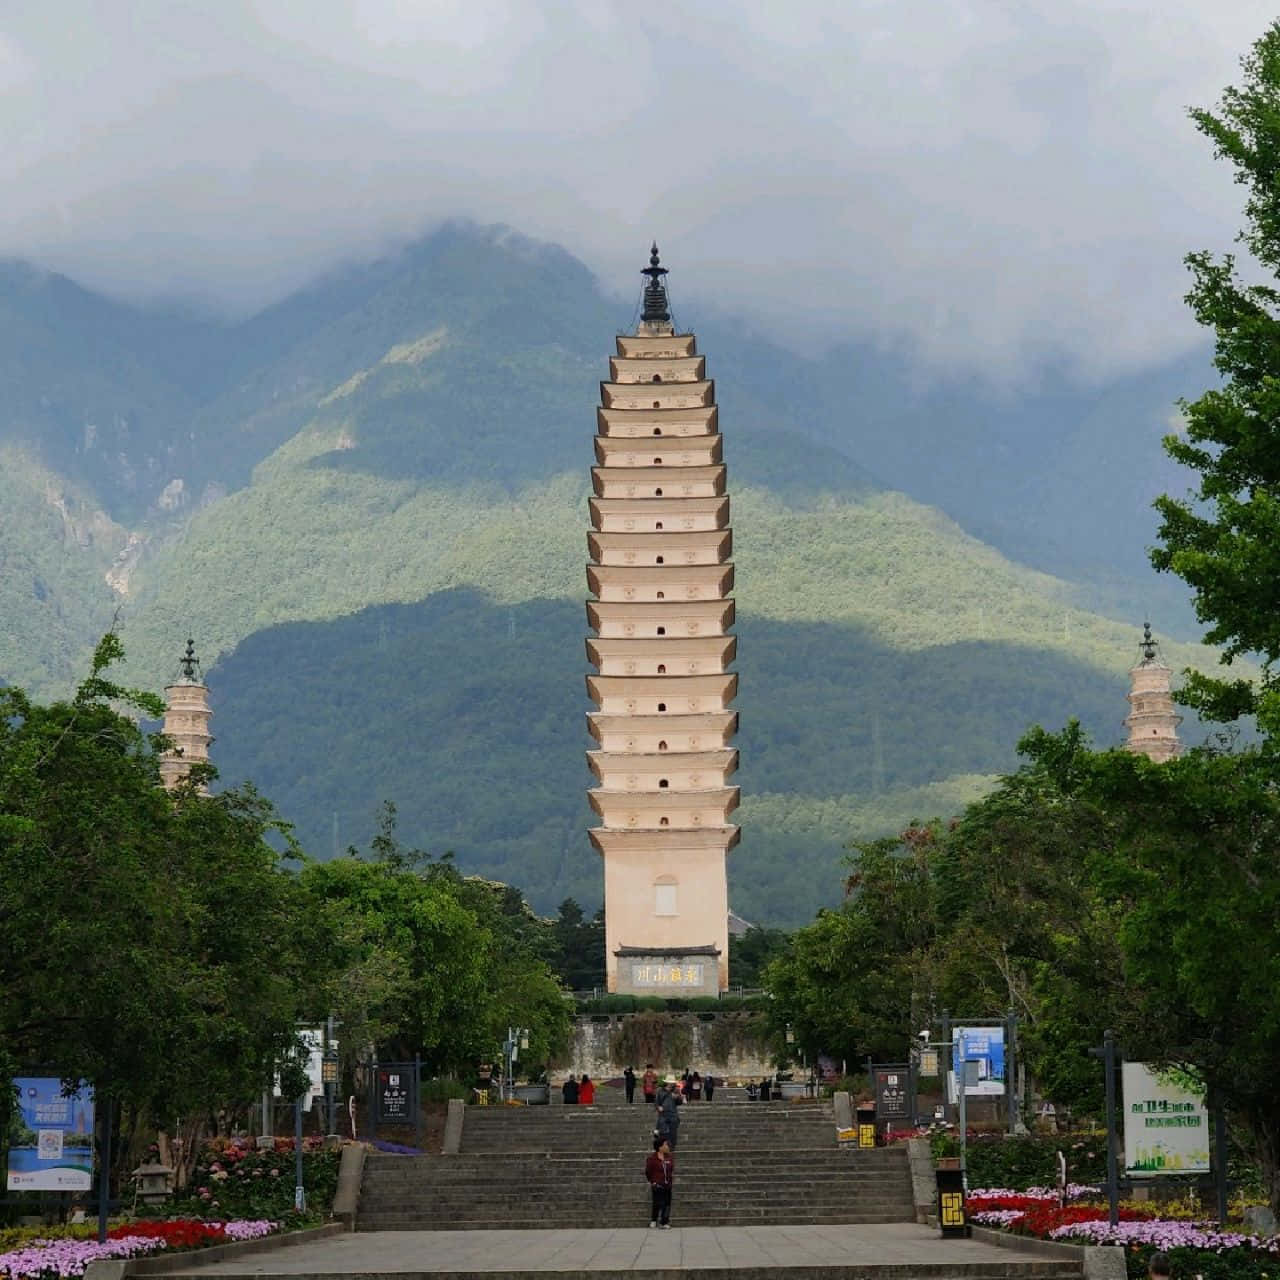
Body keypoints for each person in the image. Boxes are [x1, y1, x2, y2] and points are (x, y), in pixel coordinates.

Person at [645, 1136, 674, 1228]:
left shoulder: (669, 1158)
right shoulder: (652, 1159)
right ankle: (654, 1219)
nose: (667, 1146)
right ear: (660, 1147)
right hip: (657, 1185)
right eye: (665, 1144)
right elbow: (648, 1172)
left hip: (667, 1185)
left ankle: (664, 1222)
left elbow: (671, 1169)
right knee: (658, 1203)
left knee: (667, 1204)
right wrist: (653, 1181)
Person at [657, 1075, 683, 1149]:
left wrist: (677, 1097)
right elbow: (656, 1102)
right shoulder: (660, 1091)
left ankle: (672, 1148)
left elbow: (680, 1102)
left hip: (673, 1116)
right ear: (666, 1082)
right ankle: (664, 1148)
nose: (671, 1084)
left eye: (672, 1082)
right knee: (663, 1134)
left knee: (673, 1134)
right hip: (663, 1116)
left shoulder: (676, 1090)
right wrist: (659, 1107)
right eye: (669, 1082)